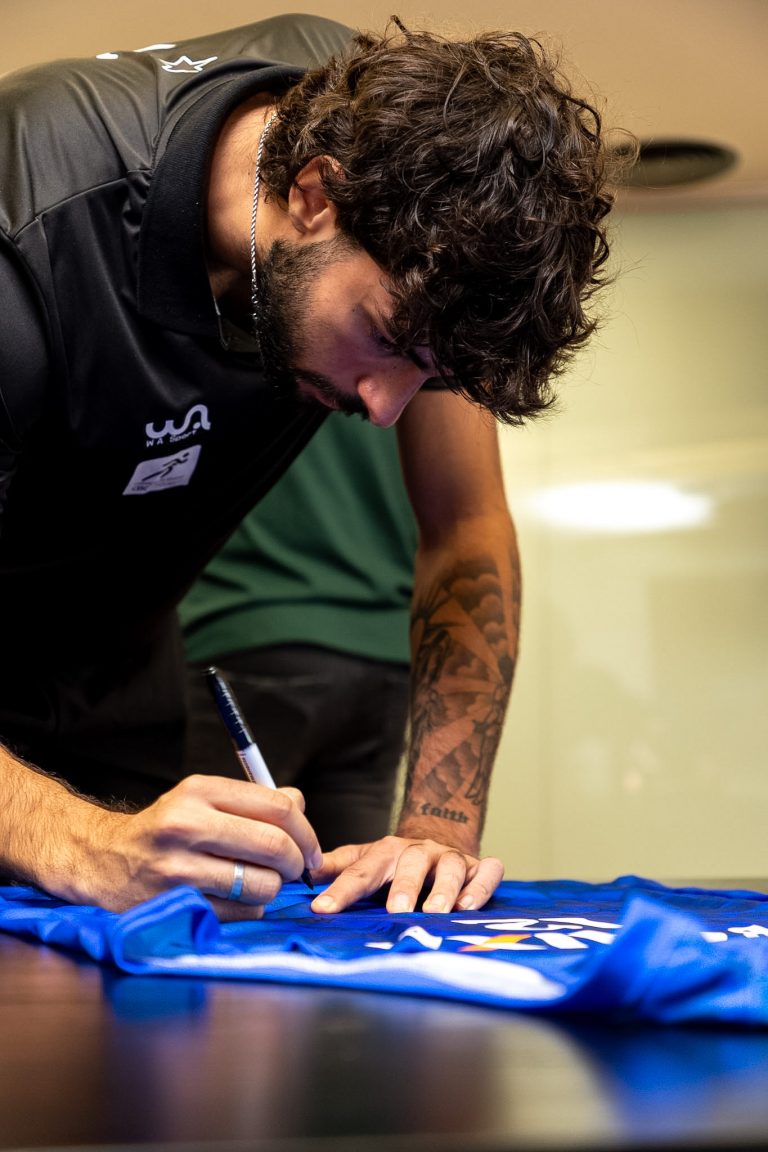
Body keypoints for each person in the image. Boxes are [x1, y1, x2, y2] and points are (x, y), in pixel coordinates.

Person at [0, 13, 615, 921]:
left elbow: (463, 525)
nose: (384, 407)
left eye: (430, 376)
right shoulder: (25, 228)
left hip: (118, 677)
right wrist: (75, 841)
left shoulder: (413, 164)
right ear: (315, 195)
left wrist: (437, 829)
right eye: (385, 339)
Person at [180, 411, 419, 850]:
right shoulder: (407, 379)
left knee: (217, 869)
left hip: (254, 618)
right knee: (346, 877)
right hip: (384, 648)